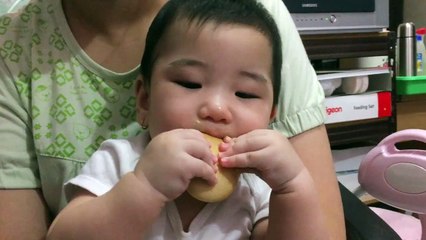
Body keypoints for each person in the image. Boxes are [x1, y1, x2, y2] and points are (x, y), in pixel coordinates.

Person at [0, 0, 345, 239]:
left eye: (245, 94)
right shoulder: (124, 161)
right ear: (145, 100)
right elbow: (64, 236)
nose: (217, 109)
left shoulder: (257, 186)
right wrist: (144, 187)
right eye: (189, 83)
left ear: (271, 116)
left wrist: (295, 188)